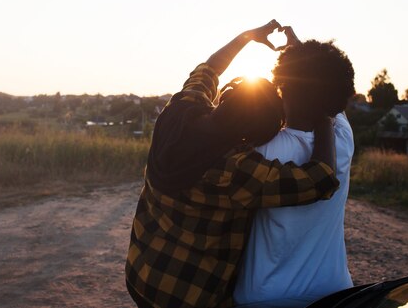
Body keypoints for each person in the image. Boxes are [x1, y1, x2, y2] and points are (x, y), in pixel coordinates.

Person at [125, 20, 341, 308]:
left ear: (224, 98)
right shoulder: (234, 171)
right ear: (254, 135)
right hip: (186, 296)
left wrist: (247, 37)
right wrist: (325, 118)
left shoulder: (179, 112)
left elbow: (209, 69)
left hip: (140, 272)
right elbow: (322, 179)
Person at [234, 31, 356, 307]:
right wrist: (297, 50)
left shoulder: (261, 151)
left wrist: (291, 55)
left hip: (267, 297)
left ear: (282, 87)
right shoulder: (343, 140)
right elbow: (326, 88)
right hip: (336, 293)